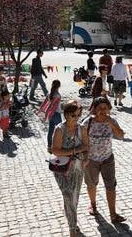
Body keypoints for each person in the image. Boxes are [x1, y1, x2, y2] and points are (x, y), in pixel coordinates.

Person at [82, 97, 126, 223]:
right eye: (99, 108)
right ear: (94, 109)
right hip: (91, 160)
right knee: (91, 184)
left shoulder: (111, 121)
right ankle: (93, 204)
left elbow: (121, 135)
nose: (102, 110)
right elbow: (81, 139)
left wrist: (112, 124)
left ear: (108, 109)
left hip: (108, 159)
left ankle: (113, 214)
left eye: (105, 108)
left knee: (111, 186)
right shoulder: (87, 122)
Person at [51, 101, 88, 237]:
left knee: (74, 198)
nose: (76, 118)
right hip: (62, 169)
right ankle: (72, 228)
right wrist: (75, 151)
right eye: (73, 115)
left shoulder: (82, 128)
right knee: (68, 196)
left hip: (78, 169)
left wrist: (86, 158)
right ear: (66, 115)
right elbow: (55, 150)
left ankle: (72, 222)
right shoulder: (59, 129)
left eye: (78, 115)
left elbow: (86, 146)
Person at [47, 80, 62, 152]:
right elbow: (51, 104)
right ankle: (60, 146)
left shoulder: (49, 93)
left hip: (51, 114)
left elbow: (46, 103)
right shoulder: (57, 94)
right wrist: (46, 113)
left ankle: (49, 147)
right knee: (61, 130)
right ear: (59, 86)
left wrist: (47, 114)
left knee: (51, 131)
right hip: (56, 114)